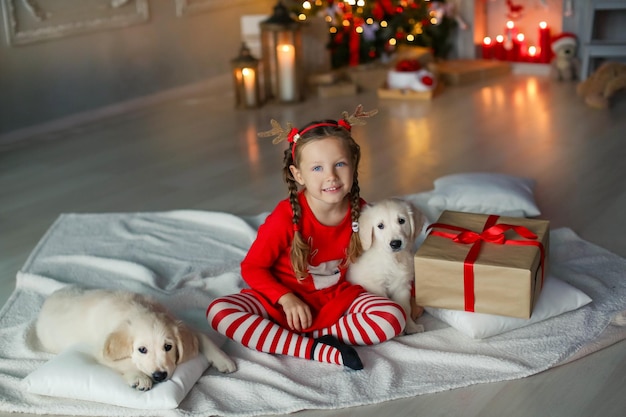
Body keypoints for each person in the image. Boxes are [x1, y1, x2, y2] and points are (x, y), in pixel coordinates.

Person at [206, 105, 407, 370]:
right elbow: (252, 267)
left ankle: (296, 340)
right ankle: (322, 351)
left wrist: (409, 294)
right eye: (317, 168)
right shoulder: (286, 217)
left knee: (392, 317)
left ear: (354, 165)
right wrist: (285, 298)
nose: (331, 176)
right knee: (219, 312)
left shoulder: (365, 213)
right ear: (297, 174)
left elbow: (386, 257)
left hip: (335, 300)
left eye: (339, 164)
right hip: (280, 302)